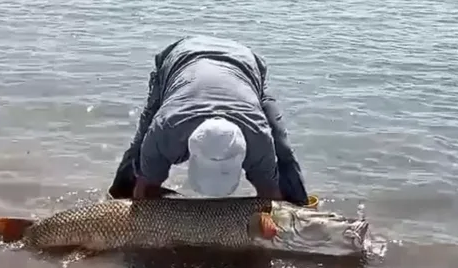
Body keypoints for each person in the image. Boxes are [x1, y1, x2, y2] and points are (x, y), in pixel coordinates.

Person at [108, 35, 310, 206]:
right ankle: (116, 200)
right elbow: (144, 191)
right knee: (140, 145)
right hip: (180, 58)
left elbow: (269, 195)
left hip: (245, 64)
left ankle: (299, 209)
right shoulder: (165, 130)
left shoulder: (259, 139)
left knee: (283, 151)